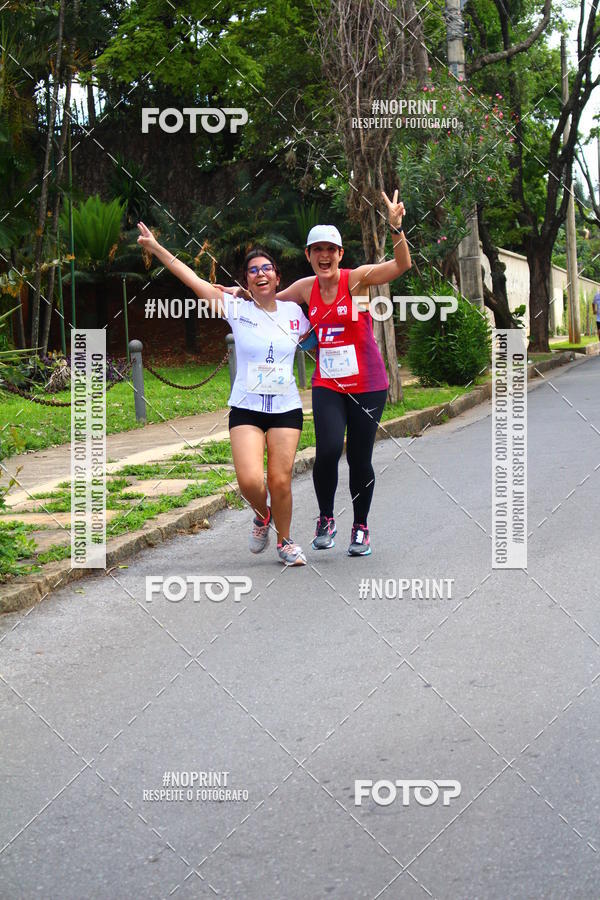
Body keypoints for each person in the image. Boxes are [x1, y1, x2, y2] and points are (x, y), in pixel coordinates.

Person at [136, 222, 308, 566]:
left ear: (277, 277)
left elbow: (334, 299)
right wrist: (156, 248)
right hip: (246, 407)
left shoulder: (296, 314)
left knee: (280, 479)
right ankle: (262, 515)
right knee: (248, 480)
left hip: (286, 407)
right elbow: (192, 279)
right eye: (252, 271)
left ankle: (286, 542)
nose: (260, 274)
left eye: (267, 269)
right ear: (247, 281)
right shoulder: (236, 309)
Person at [275, 190, 411, 556]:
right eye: (316, 250)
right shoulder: (306, 288)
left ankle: (361, 526)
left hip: (368, 384)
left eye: (330, 250)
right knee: (329, 449)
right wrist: (231, 292)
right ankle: (325, 518)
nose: (324, 256)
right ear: (308, 255)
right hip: (329, 385)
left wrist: (396, 228)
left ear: (340, 254)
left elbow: (400, 266)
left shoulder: (357, 280)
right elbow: (267, 300)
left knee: (359, 457)